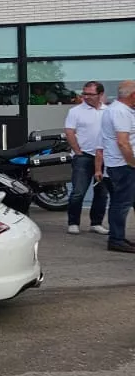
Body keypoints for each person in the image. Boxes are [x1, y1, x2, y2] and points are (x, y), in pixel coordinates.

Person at [64, 81, 109, 236]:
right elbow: (69, 132)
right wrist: (77, 151)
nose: (86, 97)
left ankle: (96, 223)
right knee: (78, 191)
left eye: (90, 94)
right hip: (83, 156)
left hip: (104, 156)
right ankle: (73, 222)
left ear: (100, 95)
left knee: (101, 192)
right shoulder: (75, 111)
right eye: (84, 93)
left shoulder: (108, 111)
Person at [97, 80, 135, 254]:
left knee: (124, 202)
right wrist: (132, 162)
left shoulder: (116, 109)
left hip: (119, 164)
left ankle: (118, 237)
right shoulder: (121, 112)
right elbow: (123, 142)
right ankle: (116, 239)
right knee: (121, 203)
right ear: (133, 95)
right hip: (124, 165)